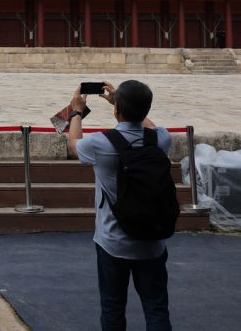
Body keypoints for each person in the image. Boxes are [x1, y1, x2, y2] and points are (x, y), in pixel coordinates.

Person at [67, 80, 173, 331]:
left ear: (117, 111)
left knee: (113, 308)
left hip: (113, 240)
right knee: (156, 308)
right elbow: (151, 127)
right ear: (147, 109)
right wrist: (123, 103)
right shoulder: (161, 139)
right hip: (153, 239)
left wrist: (76, 112)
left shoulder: (100, 143)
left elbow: (73, 145)